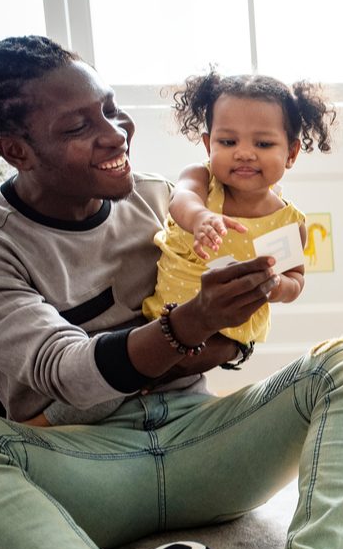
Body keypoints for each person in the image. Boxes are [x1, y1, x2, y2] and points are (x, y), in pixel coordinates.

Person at [0, 35, 343, 549]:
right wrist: (191, 325)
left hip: (203, 444)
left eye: (112, 109)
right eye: (80, 125)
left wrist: (241, 311)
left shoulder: (155, 197)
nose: (115, 133)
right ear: (16, 150)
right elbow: (68, 374)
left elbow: (233, 339)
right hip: (87, 467)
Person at [142, 69, 333, 345]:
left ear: (290, 153)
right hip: (166, 321)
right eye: (228, 142)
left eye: (263, 143)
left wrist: (277, 286)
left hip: (230, 336)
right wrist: (201, 217)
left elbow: (296, 279)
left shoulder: (286, 222)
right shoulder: (201, 179)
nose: (244, 153)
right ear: (208, 145)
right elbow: (181, 200)